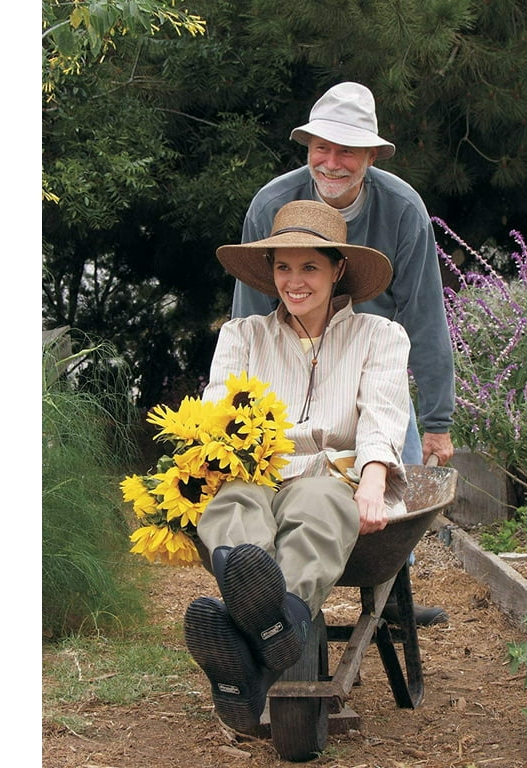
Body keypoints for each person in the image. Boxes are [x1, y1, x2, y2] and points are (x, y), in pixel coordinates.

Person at [184, 199, 412, 734]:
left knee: (317, 502)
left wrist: (374, 481)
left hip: (332, 474)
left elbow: (383, 415)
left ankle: (257, 645)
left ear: (337, 270)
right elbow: (221, 410)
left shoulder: (379, 337)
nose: (295, 281)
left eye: (309, 266)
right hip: (258, 471)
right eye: (283, 267)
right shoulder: (243, 336)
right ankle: (274, 627)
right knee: (233, 502)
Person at [232, 81, 455, 626]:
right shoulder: (272, 205)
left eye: (348, 150)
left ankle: (385, 590)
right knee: (282, 482)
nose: (332, 163)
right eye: (321, 148)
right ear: (307, 147)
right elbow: (249, 320)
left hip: (372, 364)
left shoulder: (401, 210)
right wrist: (238, 417)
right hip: (290, 369)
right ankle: (270, 590)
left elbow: (424, 312)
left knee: (387, 478)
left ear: (372, 155)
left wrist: (436, 419)